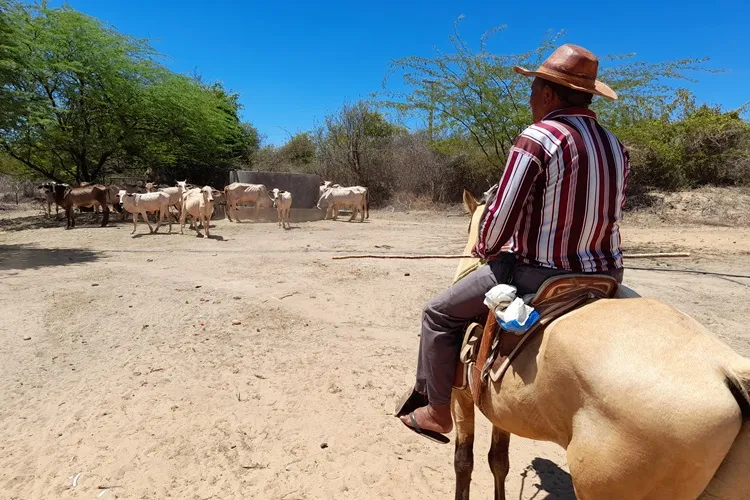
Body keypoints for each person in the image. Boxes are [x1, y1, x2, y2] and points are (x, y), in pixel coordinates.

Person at [397, 43, 630, 442]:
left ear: (548, 94)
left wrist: (486, 247)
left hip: (537, 274)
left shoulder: (538, 137)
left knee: (436, 314)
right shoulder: (615, 146)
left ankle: (437, 412)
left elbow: (499, 216)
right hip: (606, 274)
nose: (530, 100)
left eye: (532, 91)